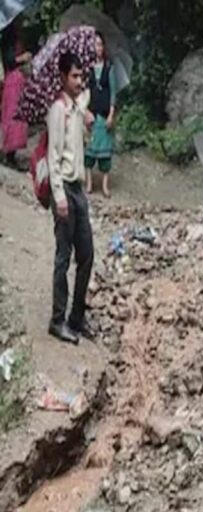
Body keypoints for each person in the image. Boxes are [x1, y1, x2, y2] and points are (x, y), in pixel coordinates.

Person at [48, 52, 95, 344]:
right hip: (64, 187)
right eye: (74, 76)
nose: (79, 81)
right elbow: (54, 155)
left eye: (81, 76)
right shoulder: (58, 110)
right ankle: (57, 320)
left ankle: (77, 317)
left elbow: (78, 146)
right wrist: (58, 196)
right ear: (63, 77)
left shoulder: (77, 108)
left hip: (77, 186)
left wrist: (87, 123)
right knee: (64, 257)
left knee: (87, 255)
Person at [84, 31, 117, 197]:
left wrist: (111, 113)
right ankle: (89, 182)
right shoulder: (87, 69)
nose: (98, 48)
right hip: (91, 113)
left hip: (104, 113)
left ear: (103, 47)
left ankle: (105, 185)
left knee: (105, 153)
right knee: (89, 151)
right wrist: (84, 111)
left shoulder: (109, 67)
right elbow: (82, 91)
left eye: (100, 45)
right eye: (95, 45)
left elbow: (113, 92)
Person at [1, 20, 31, 168]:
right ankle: (9, 155)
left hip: (18, 81)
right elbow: (9, 61)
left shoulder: (17, 38)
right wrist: (22, 58)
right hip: (12, 81)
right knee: (12, 118)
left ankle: (11, 154)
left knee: (17, 118)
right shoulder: (8, 39)